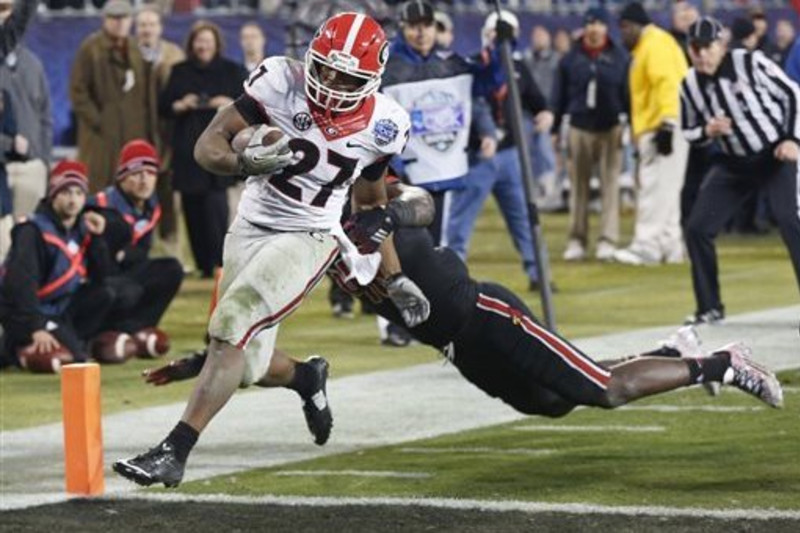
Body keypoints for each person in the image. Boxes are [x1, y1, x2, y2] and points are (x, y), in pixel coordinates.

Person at [148, 180, 784, 431]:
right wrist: (201, 361)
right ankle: (675, 353)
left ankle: (720, 364)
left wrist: (386, 224)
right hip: (457, 345)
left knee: (603, 389)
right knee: (555, 401)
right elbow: (261, 321)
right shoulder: (317, 248)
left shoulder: (364, 193)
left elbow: (419, 203)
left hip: (486, 314)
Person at [113, 12, 430, 488]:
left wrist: (396, 276)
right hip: (252, 224)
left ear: (372, 78)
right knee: (249, 365)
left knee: (232, 325)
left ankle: (173, 451)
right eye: (325, 68)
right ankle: (306, 377)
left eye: (348, 76)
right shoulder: (280, 80)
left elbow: (370, 204)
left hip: (312, 233)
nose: (332, 82)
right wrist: (242, 160)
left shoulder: (384, 124)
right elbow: (206, 146)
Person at [680, 17, 800, 325]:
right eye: (695, 48)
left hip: (774, 155)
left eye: (707, 47)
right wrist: (707, 130)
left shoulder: (749, 62)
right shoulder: (689, 84)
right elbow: (688, 131)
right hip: (734, 164)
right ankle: (710, 307)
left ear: (721, 45)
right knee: (697, 228)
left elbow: (792, 95)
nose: (701, 54)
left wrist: (791, 138)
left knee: (791, 222)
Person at [447, 10, 553, 291]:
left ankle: (538, 273)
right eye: (495, 34)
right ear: (486, 34)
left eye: (504, 35)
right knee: (460, 223)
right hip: (477, 157)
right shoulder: (475, 65)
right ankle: (452, 278)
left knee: (524, 217)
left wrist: (545, 113)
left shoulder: (518, 67)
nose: (499, 40)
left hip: (509, 155)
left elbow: (537, 100)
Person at [381, 0, 499, 246]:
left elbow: (486, 84)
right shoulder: (387, 68)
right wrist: (392, 166)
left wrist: (500, 46)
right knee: (399, 244)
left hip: (440, 170)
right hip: (402, 175)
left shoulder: (451, 62)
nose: (422, 32)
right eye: (414, 26)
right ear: (402, 28)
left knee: (435, 245)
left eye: (427, 25)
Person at [0, 160, 116, 367]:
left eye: (79, 194)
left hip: (58, 308)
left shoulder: (81, 227)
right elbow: (19, 285)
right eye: (66, 193)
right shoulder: (32, 230)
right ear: (53, 194)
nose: (73, 200)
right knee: (73, 360)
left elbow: (103, 276)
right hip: (23, 311)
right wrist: (35, 326)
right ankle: (15, 351)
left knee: (105, 294)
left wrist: (97, 238)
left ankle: (68, 339)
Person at [159, 20, 247, 278]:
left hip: (220, 148)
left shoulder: (232, 71)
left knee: (216, 207)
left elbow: (249, 105)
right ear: (192, 44)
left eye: (207, 41)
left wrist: (228, 103)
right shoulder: (179, 72)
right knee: (191, 207)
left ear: (216, 44)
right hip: (187, 149)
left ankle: (221, 262)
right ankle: (202, 265)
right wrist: (181, 104)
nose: (203, 46)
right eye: (199, 41)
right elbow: (164, 107)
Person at [614, 2, 689, 266]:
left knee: (654, 188)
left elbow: (667, 83)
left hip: (663, 126)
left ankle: (646, 246)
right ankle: (670, 247)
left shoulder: (654, 44)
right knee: (666, 191)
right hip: (666, 124)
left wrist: (667, 123)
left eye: (624, 27)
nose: (622, 34)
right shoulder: (655, 44)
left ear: (636, 24)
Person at [551, 6, 629, 262]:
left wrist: (630, 123)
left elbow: (628, 93)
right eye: (590, 24)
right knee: (578, 188)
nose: (594, 29)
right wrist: (554, 130)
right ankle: (577, 239)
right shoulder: (570, 58)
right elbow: (559, 95)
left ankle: (608, 239)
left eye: (599, 24)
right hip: (579, 126)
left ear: (607, 28)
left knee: (610, 186)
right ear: (584, 28)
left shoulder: (621, 56)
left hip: (611, 127)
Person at [89, 139, 183, 343]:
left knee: (172, 269)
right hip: (97, 282)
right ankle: (103, 332)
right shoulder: (101, 208)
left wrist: (127, 254)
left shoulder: (150, 206)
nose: (144, 180)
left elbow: (141, 253)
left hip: (124, 271)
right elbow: (99, 265)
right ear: (122, 178)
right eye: (136, 173)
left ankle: (137, 329)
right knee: (129, 290)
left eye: (150, 173)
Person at [69, 0, 149, 191]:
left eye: (124, 18)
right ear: (105, 20)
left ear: (131, 20)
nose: (120, 22)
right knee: (99, 188)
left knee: (129, 188)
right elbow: (77, 91)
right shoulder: (91, 48)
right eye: (114, 18)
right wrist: (99, 120)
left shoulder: (136, 49)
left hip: (131, 132)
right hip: (99, 138)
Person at [135, 3, 185, 256]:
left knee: (167, 194)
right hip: (135, 134)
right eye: (142, 25)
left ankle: (170, 249)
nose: (147, 30)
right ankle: (140, 245)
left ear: (160, 28)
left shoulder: (174, 54)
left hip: (167, 135)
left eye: (151, 24)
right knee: (137, 193)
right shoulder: (127, 54)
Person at [0, 0, 51, 224]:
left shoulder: (32, 64)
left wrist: (43, 160)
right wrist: (9, 145)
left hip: (26, 166)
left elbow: (45, 117)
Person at [523, 24, 560, 207]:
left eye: (541, 35)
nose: (538, 39)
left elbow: (556, 89)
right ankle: (536, 185)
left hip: (549, 111)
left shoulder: (556, 61)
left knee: (544, 147)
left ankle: (549, 185)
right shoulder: (526, 60)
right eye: (535, 35)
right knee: (528, 150)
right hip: (529, 113)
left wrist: (551, 111)